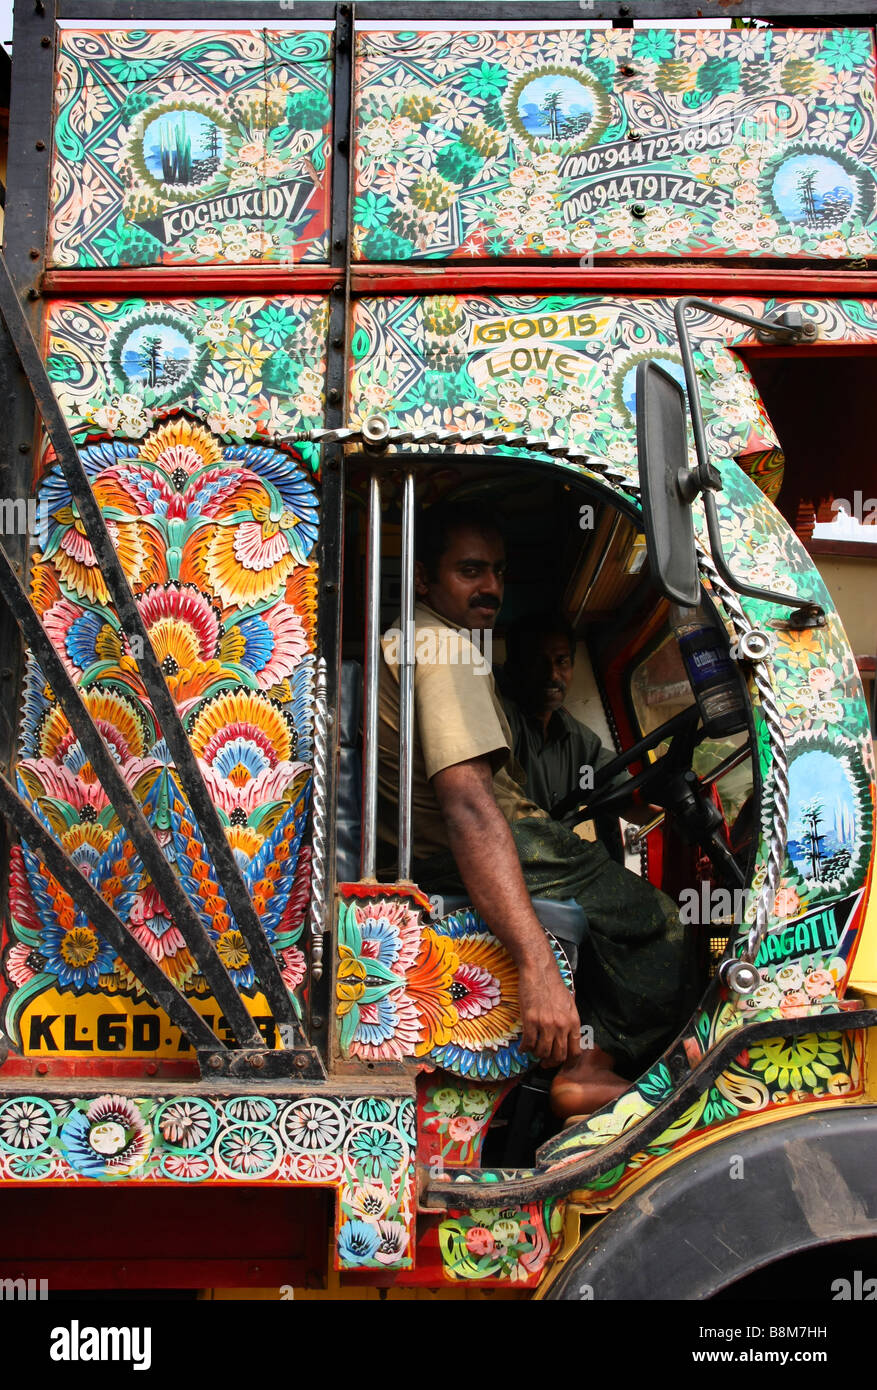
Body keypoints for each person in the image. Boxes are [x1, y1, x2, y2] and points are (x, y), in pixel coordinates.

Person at [377, 501, 690, 1117]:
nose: (491, 586)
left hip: (459, 846)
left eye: (497, 570)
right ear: (425, 578)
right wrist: (537, 963)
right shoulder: (443, 650)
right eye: (470, 570)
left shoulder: (424, 639)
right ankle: (592, 1064)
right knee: (652, 918)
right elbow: (468, 804)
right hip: (476, 847)